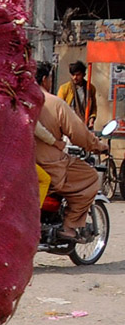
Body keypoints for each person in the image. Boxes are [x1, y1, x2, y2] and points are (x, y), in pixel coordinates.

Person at [35, 61, 107, 241]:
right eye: (50, 78)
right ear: (45, 80)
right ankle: (69, 226)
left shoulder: (19, 101)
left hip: (26, 161)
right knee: (90, 177)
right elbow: (78, 133)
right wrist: (98, 146)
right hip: (51, 163)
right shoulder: (54, 102)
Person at [58, 60, 97, 126]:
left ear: (84, 75)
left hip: (84, 124)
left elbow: (93, 107)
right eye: (73, 75)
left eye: (78, 75)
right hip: (68, 124)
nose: (75, 77)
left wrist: (92, 119)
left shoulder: (90, 88)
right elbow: (59, 108)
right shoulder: (64, 88)